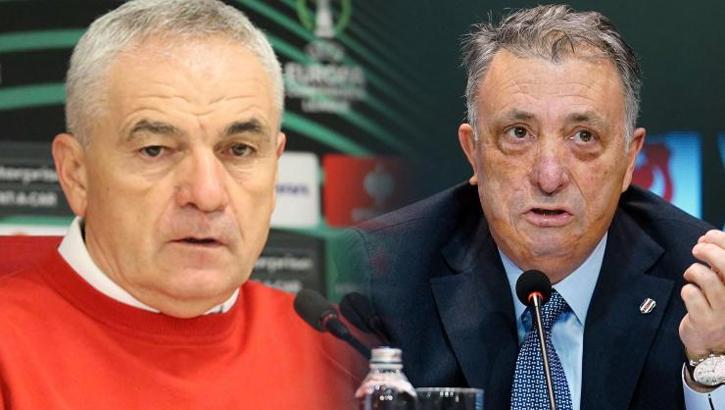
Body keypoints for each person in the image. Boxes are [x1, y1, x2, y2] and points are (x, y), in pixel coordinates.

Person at [340, 5, 724, 410]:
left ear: (630, 159)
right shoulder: (377, 277)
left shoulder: (700, 282)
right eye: (519, 133)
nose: (549, 176)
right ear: (474, 152)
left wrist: (710, 365)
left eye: (584, 136)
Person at [0, 1, 362, 408]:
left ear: (275, 168)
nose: (206, 195)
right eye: (155, 149)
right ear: (76, 174)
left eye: (239, 150)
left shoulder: (349, 356)